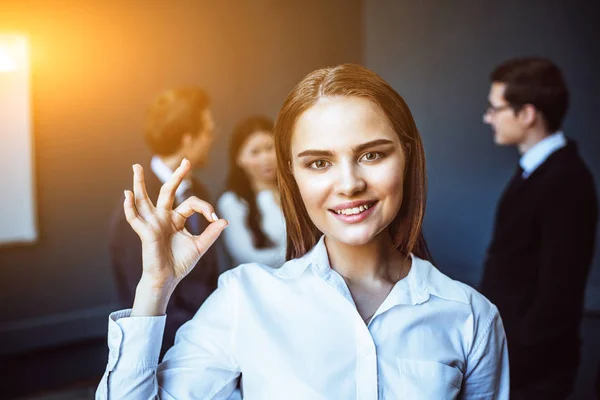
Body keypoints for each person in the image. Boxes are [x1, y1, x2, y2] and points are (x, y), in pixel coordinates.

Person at [97, 64, 509, 399]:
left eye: (371, 154)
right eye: (319, 163)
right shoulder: (245, 299)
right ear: (292, 176)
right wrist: (155, 285)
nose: (348, 184)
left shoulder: (471, 317)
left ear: (407, 156)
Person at [480, 57, 598, 399]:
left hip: (534, 370)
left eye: (495, 108)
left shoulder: (567, 180)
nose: (487, 117)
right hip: (513, 359)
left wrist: (513, 358)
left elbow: (558, 293)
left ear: (527, 114)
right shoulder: (533, 170)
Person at [108, 87, 220, 354]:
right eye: (208, 132)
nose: (212, 139)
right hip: (166, 350)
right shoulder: (136, 210)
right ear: (188, 139)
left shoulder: (200, 193)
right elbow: (143, 295)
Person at [217, 115, 286, 268]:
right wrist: (299, 255)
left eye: (269, 148)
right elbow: (246, 256)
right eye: (255, 152)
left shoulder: (295, 190)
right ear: (239, 159)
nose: (265, 158)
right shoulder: (233, 201)